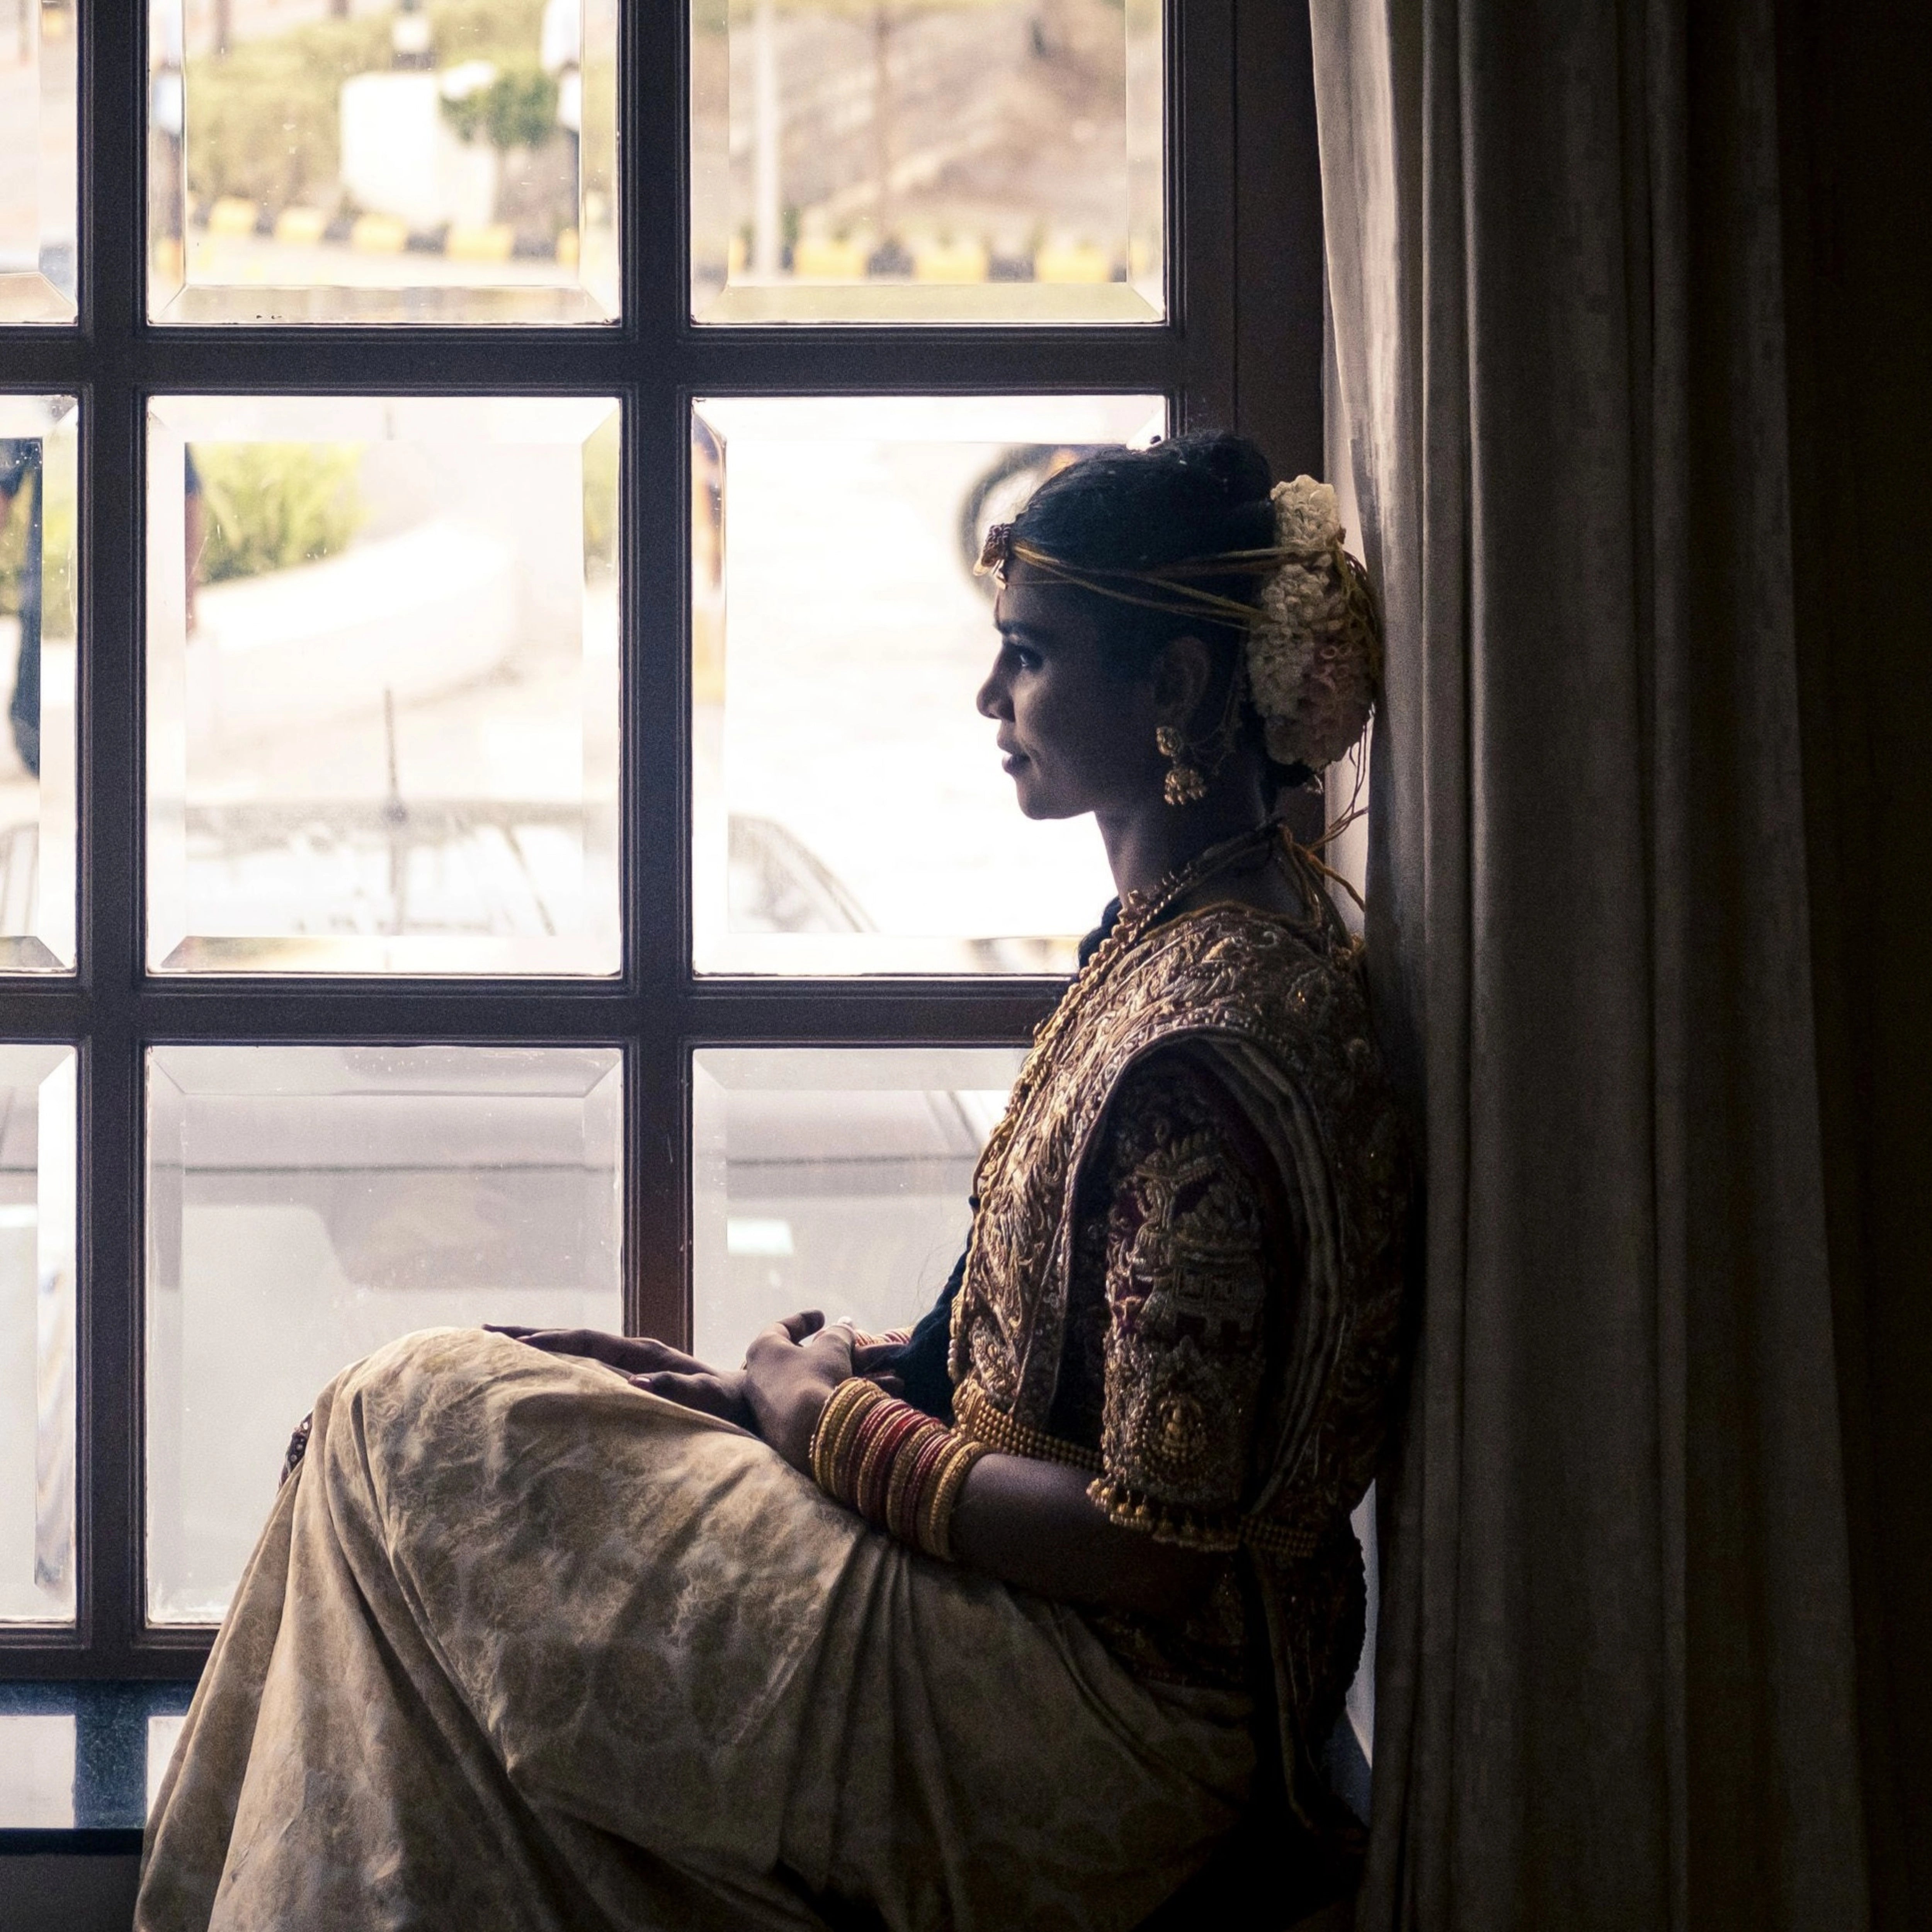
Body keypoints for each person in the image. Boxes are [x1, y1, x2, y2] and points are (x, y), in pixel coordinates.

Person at [137, 433, 1411, 1932]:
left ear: (1178, 694)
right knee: (420, 1429)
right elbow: (1022, 1358)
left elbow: (1146, 1546)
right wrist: (740, 1390)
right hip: (1035, 1626)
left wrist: (823, 1420)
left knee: (406, 1435)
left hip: (1094, 1710)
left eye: (1027, 657)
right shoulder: (1183, 950)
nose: (987, 701)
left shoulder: (1205, 1037)